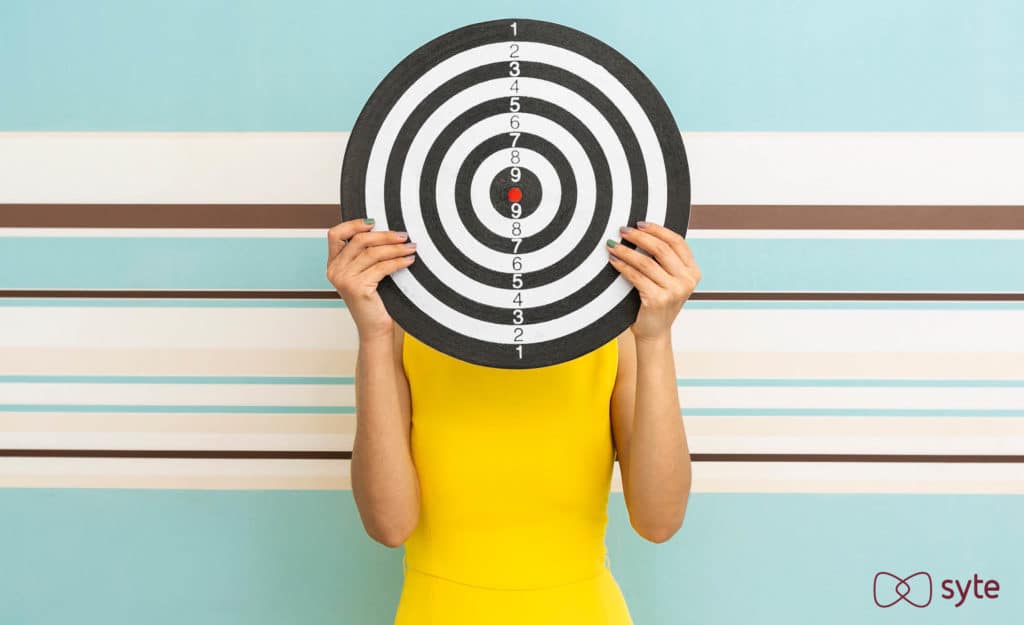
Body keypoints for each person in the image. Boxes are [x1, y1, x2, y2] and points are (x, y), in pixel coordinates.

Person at [326, 215, 699, 624]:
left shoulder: (611, 333)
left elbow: (659, 521)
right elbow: (389, 526)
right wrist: (374, 335)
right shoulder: (402, 329)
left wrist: (656, 337)